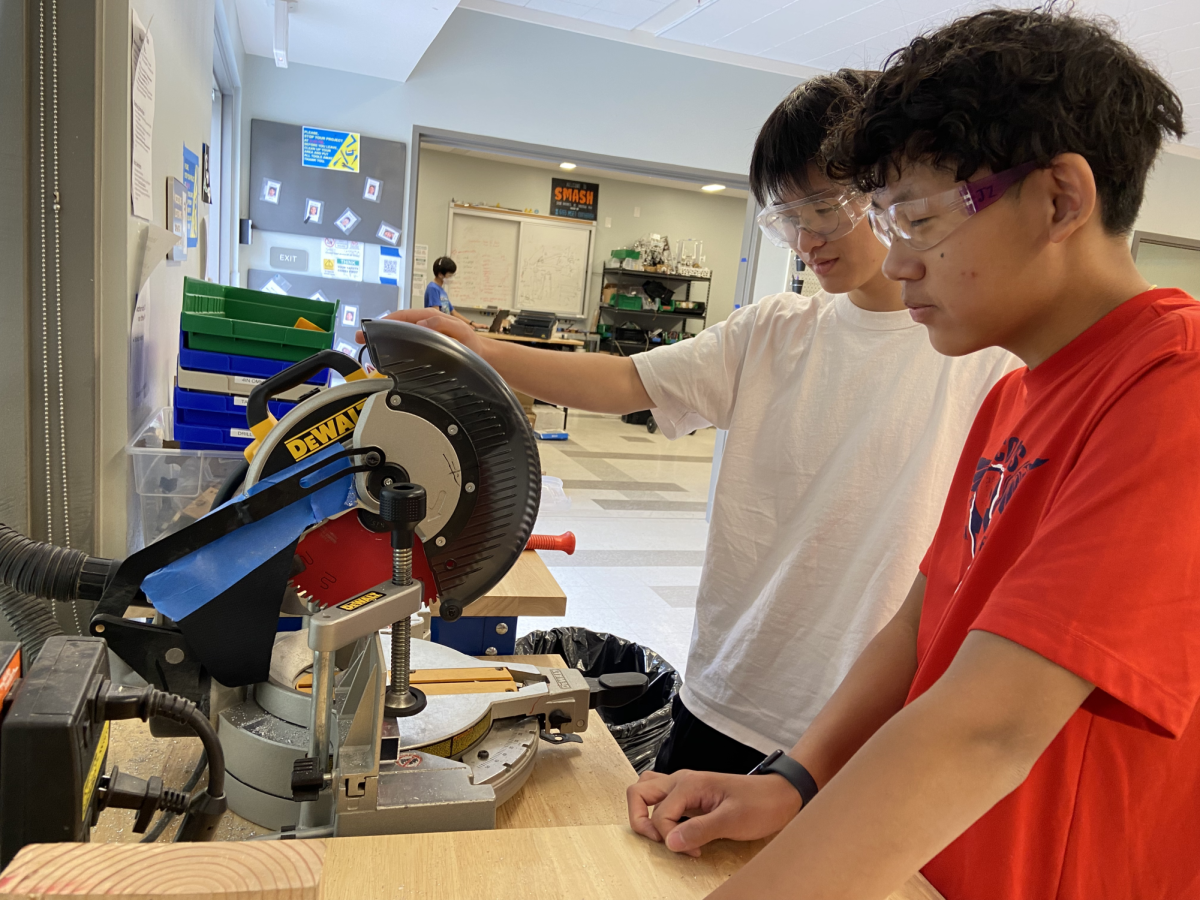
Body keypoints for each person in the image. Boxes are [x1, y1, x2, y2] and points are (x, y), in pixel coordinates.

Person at [626, 9, 1198, 900]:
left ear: (1060, 200)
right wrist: (792, 781)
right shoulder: (1013, 393)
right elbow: (922, 620)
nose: (896, 266)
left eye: (920, 221)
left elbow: (990, 727)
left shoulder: (1174, 389)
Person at [363, 71, 1014, 777]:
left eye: (823, 208)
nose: (804, 240)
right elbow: (626, 380)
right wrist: (479, 348)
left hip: (861, 725)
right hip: (728, 693)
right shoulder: (775, 331)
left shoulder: (981, 358)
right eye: (787, 218)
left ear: (887, 188)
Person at [423, 256, 484, 330]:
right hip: (437, 331)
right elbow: (436, 314)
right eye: (450, 275)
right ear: (440, 275)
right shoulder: (432, 288)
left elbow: (453, 313)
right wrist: (461, 326)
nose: (451, 278)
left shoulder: (442, 290)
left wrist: (472, 323)